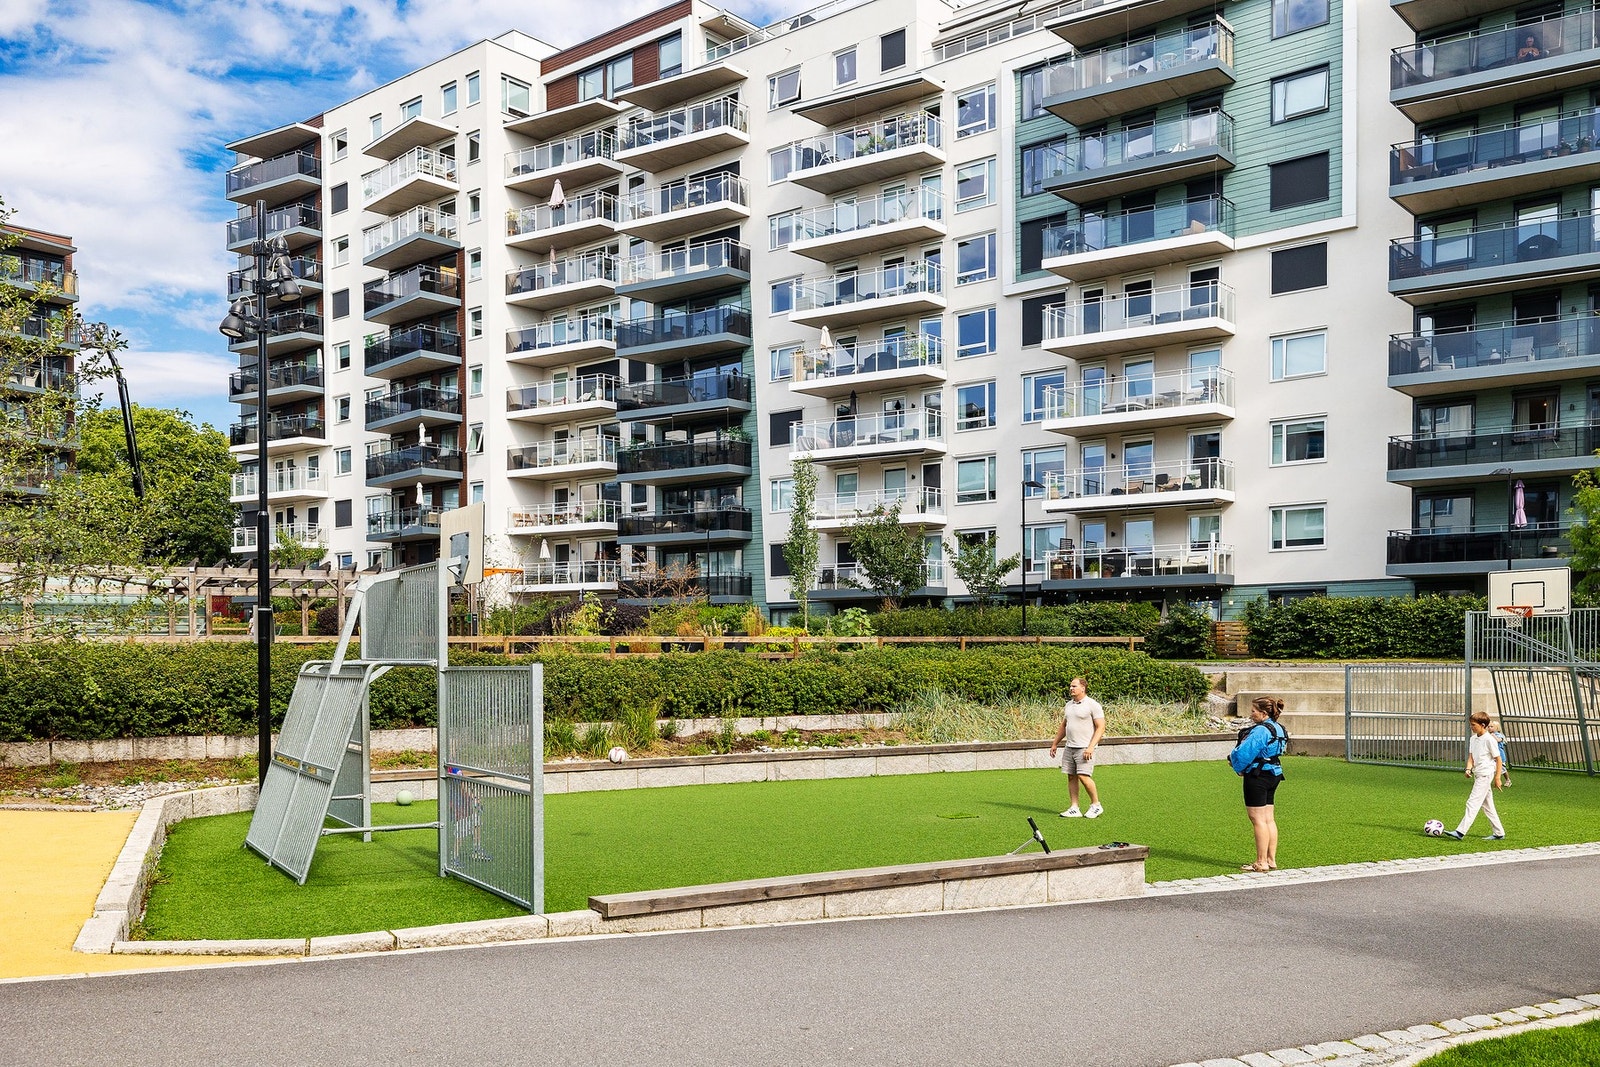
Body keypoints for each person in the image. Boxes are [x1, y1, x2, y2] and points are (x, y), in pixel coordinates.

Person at [1228, 696, 1288, 871]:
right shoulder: (1279, 728)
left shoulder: (1260, 731)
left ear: (1262, 713)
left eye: (1253, 711)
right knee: (1268, 818)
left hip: (1258, 776)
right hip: (1273, 774)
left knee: (1257, 819)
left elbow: (1244, 753)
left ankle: (1261, 862)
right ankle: (1271, 860)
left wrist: (1235, 764)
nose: (1251, 714)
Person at [1049, 676, 1106, 818]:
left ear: (1083, 688)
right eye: (1070, 686)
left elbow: (1101, 727)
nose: (1071, 688)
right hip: (1070, 747)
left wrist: (1091, 747)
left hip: (1085, 747)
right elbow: (1064, 725)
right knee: (1071, 776)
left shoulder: (1093, 705)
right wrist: (1055, 743)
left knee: (1083, 776)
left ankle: (1096, 805)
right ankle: (1074, 807)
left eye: (1074, 686)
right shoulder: (1069, 705)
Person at [1447, 712, 1505, 840]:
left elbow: (1498, 759)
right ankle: (1499, 832)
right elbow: (1471, 757)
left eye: (1473, 725)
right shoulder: (1473, 739)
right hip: (1478, 773)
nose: (1471, 727)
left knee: (1472, 802)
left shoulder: (1490, 740)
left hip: (1486, 774)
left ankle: (1460, 831)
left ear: (1482, 725)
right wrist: (1468, 769)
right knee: (1487, 805)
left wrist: (1497, 778)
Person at [1489, 719, 1511, 786]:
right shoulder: (1488, 735)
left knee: (1502, 769)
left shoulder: (1499, 735)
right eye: (1488, 727)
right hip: (1492, 755)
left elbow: (1499, 740)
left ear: (1497, 728)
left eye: (1491, 727)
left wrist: (1493, 736)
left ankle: (1508, 780)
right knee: (1491, 768)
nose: (1489, 728)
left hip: (1500, 756)